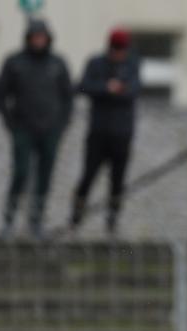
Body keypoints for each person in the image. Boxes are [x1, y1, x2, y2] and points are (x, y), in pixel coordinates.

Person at [0, 19, 72, 241]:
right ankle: (9, 219)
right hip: (23, 128)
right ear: (28, 38)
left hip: (50, 130)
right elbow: (2, 95)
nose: (39, 41)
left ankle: (36, 221)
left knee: (44, 177)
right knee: (21, 172)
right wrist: (10, 123)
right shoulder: (15, 62)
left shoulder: (58, 63)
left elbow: (68, 97)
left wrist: (61, 125)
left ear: (48, 39)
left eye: (42, 37)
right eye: (35, 37)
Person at [69, 28, 141, 237]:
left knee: (118, 181)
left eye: (122, 49)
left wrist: (116, 91)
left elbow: (134, 91)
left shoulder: (133, 65)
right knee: (88, 176)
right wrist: (106, 88)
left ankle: (112, 221)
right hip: (98, 132)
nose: (119, 53)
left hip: (122, 134)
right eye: (116, 49)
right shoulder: (96, 63)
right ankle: (76, 217)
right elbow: (82, 86)